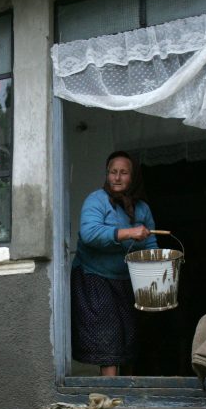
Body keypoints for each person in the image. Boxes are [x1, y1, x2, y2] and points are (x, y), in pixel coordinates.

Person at [71, 151, 158, 377]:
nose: (117, 178)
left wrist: (155, 278)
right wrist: (129, 232)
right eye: (112, 172)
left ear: (134, 177)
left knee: (128, 337)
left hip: (126, 279)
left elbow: (150, 245)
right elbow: (89, 234)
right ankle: (109, 396)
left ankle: (125, 394)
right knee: (107, 337)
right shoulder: (96, 200)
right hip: (94, 276)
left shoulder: (142, 209)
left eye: (123, 173)